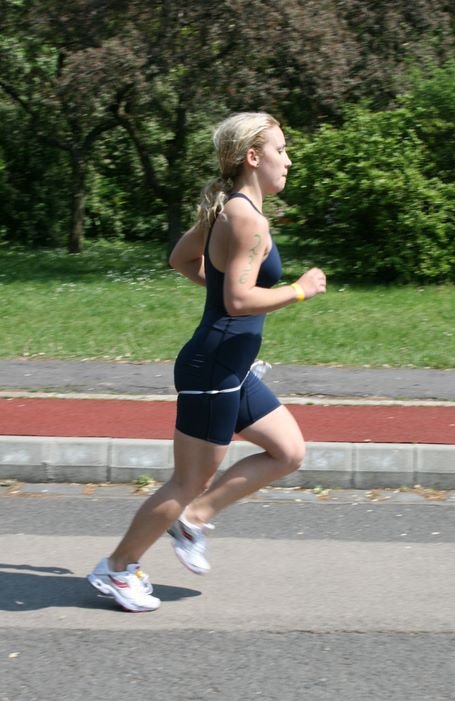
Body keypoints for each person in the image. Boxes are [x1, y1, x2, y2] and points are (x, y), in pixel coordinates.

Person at [87, 111, 327, 611]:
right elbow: (239, 301)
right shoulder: (246, 218)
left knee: (288, 451)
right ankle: (117, 568)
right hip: (215, 368)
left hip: (228, 368)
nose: (288, 160)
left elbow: (181, 260)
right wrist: (298, 292)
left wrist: (224, 290)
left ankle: (193, 518)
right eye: (281, 151)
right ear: (253, 157)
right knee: (187, 479)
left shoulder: (227, 208)